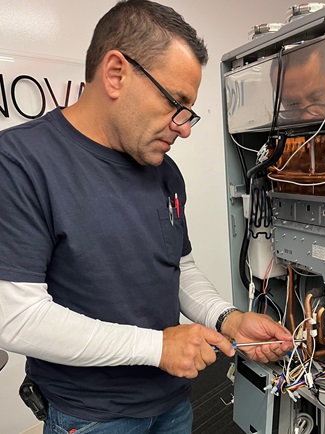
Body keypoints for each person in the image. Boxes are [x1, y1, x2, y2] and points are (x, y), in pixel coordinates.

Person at [0, 1, 293, 433]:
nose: (185, 127)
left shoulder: (164, 172)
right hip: (93, 416)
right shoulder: (21, 162)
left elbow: (179, 269)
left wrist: (229, 318)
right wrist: (156, 346)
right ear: (116, 73)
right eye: (177, 103)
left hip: (172, 400)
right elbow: (16, 317)